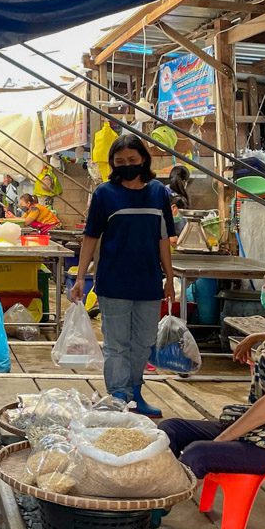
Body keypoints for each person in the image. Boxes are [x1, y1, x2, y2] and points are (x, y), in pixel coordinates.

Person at [159, 252, 265, 479]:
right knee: (170, 429)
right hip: (260, 431)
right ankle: (159, 492)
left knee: (197, 454)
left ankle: (157, 506)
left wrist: (223, 440)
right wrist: (254, 338)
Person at [69, 134, 175, 416]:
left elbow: (163, 239)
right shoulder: (104, 194)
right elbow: (90, 237)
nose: (127, 165)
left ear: (143, 160)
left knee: (143, 343)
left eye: (132, 160)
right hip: (113, 282)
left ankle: (135, 394)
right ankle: (117, 397)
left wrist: (170, 278)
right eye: (120, 162)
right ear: (113, 165)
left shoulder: (159, 194)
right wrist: (81, 277)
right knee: (117, 345)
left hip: (149, 282)